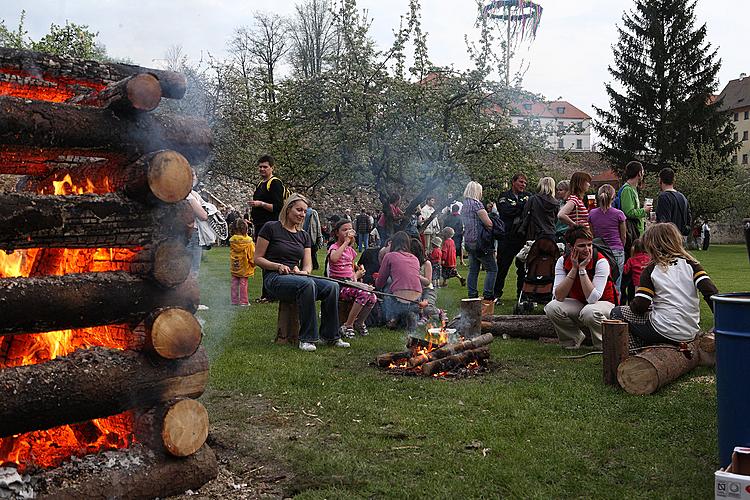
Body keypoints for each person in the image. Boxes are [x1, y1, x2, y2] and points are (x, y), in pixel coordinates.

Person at [254, 193, 350, 352]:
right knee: (307, 285)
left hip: (296, 277)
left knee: (332, 286)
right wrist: (277, 266)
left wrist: (304, 272)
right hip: (274, 278)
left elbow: (307, 265)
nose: (302, 214)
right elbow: (257, 258)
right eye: (299, 210)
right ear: (288, 209)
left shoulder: (304, 236)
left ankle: (330, 336)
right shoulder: (270, 228)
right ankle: (307, 338)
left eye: (305, 211)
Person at [610, 223, 718, 347]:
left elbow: (641, 305)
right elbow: (711, 292)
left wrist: (639, 306)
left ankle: (634, 350)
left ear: (651, 246)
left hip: (663, 329)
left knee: (617, 312)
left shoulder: (651, 269)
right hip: (689, 331)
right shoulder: (692, 265)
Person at [543, 225, 619, 350]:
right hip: (580, 303)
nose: (587, 249)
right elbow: (559, 296)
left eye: (589, 245)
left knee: (590, 311)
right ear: (570, 247)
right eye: (581, 246)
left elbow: (593, 299)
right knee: (552, 307)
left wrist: (582, 270)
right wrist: (574, 269)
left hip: (604, 304)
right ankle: (573, 339)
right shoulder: (562, 261)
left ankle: (603, 345)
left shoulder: (601, 261)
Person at [328, 219, 377, 338]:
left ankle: (359, 322)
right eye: (344, 230)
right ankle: (347, 325)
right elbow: (334, 259)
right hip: (339, 285)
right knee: (364, 294)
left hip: (350, 283)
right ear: (336, 233)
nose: (347, 232)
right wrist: (345, 243)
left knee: (373, 296)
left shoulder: (351, 251)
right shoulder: (334, 247)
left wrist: (358, 273)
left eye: (349, 229)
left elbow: (350, 268)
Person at [249, 155, 287, 303]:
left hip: (270, 227)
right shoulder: (260, 184)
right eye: (260, 167)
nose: (262, 169)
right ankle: (266, 294)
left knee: (268, 259)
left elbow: (278, 207)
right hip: (260, 226)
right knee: (262, 260)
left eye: (265, 167)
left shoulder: (275, 183)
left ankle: (271, 295)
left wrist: (260, 204)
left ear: (272, 168)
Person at [375, 231, 423, 333]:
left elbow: (380, 281)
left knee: (387, 284)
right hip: (417, 298)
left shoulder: (389, 256)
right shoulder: (415, 258)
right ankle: (407, 316)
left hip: (398, 299)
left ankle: (392, 318)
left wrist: (375, 282)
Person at [461, 181, 497, 313]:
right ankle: (488, 296)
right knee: (492, 269)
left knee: (473, 270)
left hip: (469, 241)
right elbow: (488, 224)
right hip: (480, 242)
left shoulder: (465, 205)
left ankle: (472, 296)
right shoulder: (476, 204)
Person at [588, 184, 626, 289]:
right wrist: (621, 246)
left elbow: (592, 234)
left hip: (600, 250)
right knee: (616, 283)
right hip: (616, 249)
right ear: (613, 197)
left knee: (600, 281)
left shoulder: (592, 213)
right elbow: (623, 236)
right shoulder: (619, 214)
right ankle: (615, 303)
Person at [619, 160, 652, 246]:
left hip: (637, 230)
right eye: (643, 171)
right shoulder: (627, 189)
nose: (644, 174)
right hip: (631, 231)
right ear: (639, 173)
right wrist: (644, 210)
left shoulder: (633, 189)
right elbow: (629, 212)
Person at [655, 167, 691, 238]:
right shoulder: (683, 197)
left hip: (668, 240)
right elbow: (688, 219)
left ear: (660, 180)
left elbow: (663, 223)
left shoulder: (664, 197)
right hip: (679, 238)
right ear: (673, 180)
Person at [520, 176, 558, 241]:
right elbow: (556, 219)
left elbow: (524, 214)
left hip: (534, 234)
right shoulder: (556, 203)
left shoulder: (533, 199)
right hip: (550, 233)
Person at [229, 219, 256, 306]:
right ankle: (244, 301)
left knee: (234, 283)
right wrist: (253, 263)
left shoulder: (232, 241)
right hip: (245, 266)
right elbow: (252, 255)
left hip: (235, 265)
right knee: (243, 284)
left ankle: (234, 301)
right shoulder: (249, 242)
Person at [621, 238, 650, 304]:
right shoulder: (649, 257)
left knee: (638, 299)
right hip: (648, 282)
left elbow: (625, 270)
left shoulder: (632, 259)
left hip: (637, 283)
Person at [303, 204, 323, 270]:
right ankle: (314, 265)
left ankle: (313, 265)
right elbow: (317, 225)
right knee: (313, 252)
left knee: (310, 251)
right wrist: (319, 236)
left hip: (307, 234)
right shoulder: (313, 212)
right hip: (311, 235)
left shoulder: (312, 212)